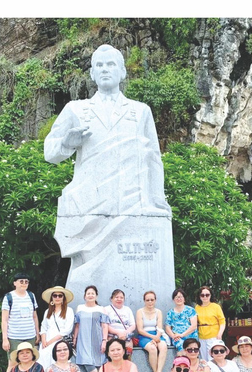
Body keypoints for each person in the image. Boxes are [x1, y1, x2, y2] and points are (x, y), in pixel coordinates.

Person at [44, 44, 173, 295]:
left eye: (111, 64)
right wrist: (67, 144)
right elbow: (50, 152)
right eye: (99, 66)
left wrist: (157, 200)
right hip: (90, 203)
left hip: (131, 203)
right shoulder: (76, 110)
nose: (105, 70)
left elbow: (153, 159)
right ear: (91, 74)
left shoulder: (140, 111)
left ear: (123, 72)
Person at [1, 272, 39, 372]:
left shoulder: (31, 296)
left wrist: (37, 333)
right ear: (15, 283)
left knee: (30, 363)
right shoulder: (9, 297)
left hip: (30, 335)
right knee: (13, 363)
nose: (24, 284)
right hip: (14, 337)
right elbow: (4, 319)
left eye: (26, 282)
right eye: (21, 281)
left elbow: (35, 316)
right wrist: (5, 339)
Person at [73, 285, 109, 372]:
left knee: (97, 363)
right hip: (83, 339)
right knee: (86, 360)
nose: (90, 295)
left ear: (96, 296)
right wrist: (75, 338)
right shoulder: (80, 308)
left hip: (97, 338)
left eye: (92, 293)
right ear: (84, 296)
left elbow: (104, 325)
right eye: (88, 293)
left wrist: (104, 340)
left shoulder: (101, 309)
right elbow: (77, 325)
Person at [38, 286, 75, 369]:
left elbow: (67, 329)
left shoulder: (69, 311)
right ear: (52, 298)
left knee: (57, 361)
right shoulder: (47, 311)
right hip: (47, 340)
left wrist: (51, 341)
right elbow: (43, 327)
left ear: (63, 298)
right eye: (55, 295)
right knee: (43, 362)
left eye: (60, 295)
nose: (57, 297)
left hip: (60, 340)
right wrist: (43, 340)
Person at [136, 291, 169, 372]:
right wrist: (152, 337)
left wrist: (157, 337)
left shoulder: (158, 312)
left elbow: (159, 327)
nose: (150, 302)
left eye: (152, 300)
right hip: (144, 335)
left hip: (157, 334)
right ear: (144, 301)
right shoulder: (140, 312)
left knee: (163, 346)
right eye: (148, 300)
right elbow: (140, 329)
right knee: (152, 348)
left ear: (155, 300)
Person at [195, 286, 226, 361]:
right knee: (203, 359)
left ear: (210, 295)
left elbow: (222, 321)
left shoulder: (216, 307)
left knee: (212, 358)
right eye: (202, 295)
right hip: (201, 336)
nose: (205, 297)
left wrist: (220, 333)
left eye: (207, 295)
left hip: (213, 335)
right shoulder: (197, 307)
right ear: (199, 296)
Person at [164, 288, 198, 353]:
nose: (178, 299)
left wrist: (182, 335)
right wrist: (174, 336)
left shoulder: (190, 310)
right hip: (177, 338)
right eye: (176, 297)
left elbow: (194, 326)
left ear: (184, 299)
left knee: (191, 347)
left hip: (190, 336)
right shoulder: (170, 313)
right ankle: (183, 361)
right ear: (173, 299)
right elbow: (167, 328)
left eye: (180, 297)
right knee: (180, 344)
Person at [105, 289, 136, 356]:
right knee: (114, 354)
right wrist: (118, 333)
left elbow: (133, 325)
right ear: (111, 299)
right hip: (112, 336)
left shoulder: (127, 309)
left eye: (121, 297)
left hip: (126, 336)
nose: (119, 299)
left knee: (128, 354)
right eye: (116, 297)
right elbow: (105, 325)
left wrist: (125, 333)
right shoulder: (106, 309)